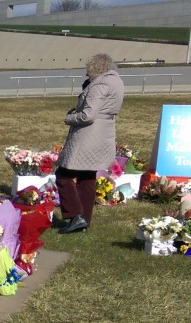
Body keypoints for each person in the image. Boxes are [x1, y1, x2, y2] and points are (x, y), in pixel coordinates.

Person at [54, 54, 125, 234]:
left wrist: (69, 118)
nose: (86, 72)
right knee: (87, 176)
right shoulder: (116, 82)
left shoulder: (99, 85)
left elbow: (88, 115)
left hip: (89, 134)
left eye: (88, 68)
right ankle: (84, 220)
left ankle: (75, 215)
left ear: (96, 68)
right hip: (104, 132)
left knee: (63, 173)